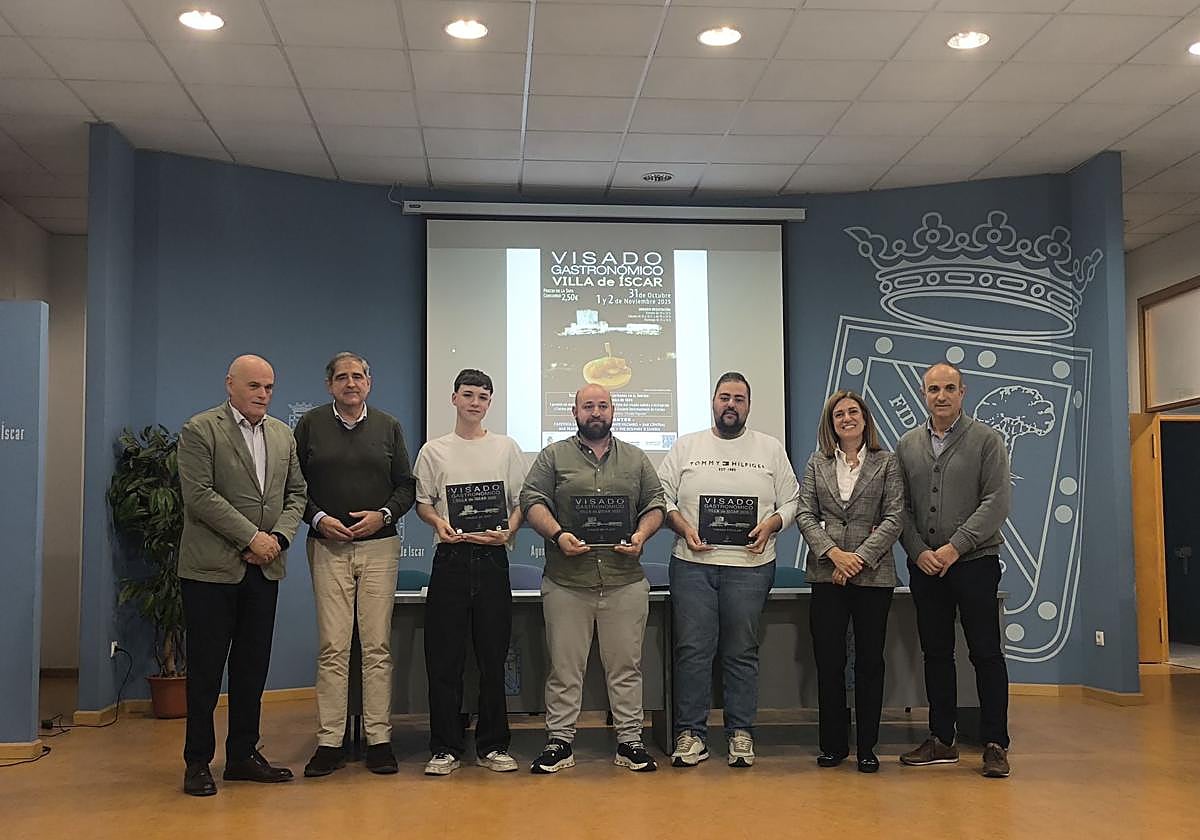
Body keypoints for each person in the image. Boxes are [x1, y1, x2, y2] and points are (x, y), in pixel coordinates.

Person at [176, 354, 307, 797]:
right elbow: (199, 496)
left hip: (264, 569)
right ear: (230, 384)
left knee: (252, 669)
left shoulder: (282, 434)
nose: (263, 395)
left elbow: (297, 494)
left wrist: (279, 540)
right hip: (211, 572)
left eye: (269, 388)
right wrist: (253, 537)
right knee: (207, 671)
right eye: (254, 386)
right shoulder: (201, 429)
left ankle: (242, 755)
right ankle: (197, 762)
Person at [520, 383, 665, 774]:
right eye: (588, 406)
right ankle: (560, 742)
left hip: (624, 581)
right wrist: (557, 535)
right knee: (564, 668)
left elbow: (655, 504)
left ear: (614, 411)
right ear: (575, 412)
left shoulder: (636, 459)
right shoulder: (553, 456)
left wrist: (640, 535)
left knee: (626, 667)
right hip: (568, 581)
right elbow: (531, 501)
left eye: (602, 405)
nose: (596, 412)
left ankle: (630, 741)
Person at [658, 372, 799, 768]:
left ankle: (740, 733)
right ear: (713, 402)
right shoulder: (687, 446)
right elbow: (662, 496)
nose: (731, 404)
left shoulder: (769, 448)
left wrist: (772, 524)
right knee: (693, 651)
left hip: (751, 566)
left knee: (741, 652)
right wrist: (683, 527)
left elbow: (792, 502)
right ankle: (691, 735)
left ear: (749, 405)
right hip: (692, 565)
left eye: (739, 398)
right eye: (724, 397)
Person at [293, 352, 415, 777]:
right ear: (329, 385)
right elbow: (293, 486)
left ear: (369, 382)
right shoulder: (309, 425)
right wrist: (319, 519)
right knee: (333, 647)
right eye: (342, 377)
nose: (351, 383)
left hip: (379, 546)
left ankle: (379, 738)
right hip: (327, 547)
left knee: (377, 647)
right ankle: (330, 741)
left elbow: (407, 487)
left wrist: (383, 514)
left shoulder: (388, 426)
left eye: (358, 376)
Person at [896, 362, 1013, 778]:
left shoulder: (987, 440)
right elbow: (901, 508)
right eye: (933, 389)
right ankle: (941, 739)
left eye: (949, 388)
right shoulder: (907, 444)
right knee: (936, 654)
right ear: (923, 394)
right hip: (925, 567)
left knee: (985, 654)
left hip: (976, 564)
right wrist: (918, 550)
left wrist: (953, 548)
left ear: (963, 393)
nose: (941, 396)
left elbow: (996, 502)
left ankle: (995, 743)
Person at [413, 369, 526, 776]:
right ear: (454, 398)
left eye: (482, 396)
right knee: (444, 660)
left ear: (490, 403)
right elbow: (423, 502)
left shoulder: (506, 447)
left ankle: (493, 745)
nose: (475, 402)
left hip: (493, 560)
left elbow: (519, 502)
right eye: (468, 394)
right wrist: (436, 523)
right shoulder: (433, 450)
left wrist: (509, 530)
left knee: (493, 659)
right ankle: (445, 747)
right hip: (451, 560)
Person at [796, 390, 904, 773]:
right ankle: (833, 745)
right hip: (827, 575)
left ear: (864, 418)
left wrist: (857, 558)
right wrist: (835, 555)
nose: (846, 418)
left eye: (852, 412)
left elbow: (894, 517)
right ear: (831, 423)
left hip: (873, 575)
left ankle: (868, 748)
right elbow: (805, 514)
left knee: (870, 662)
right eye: (838, 414)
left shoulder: (887, 462)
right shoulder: (816, 463)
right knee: (829, 662)